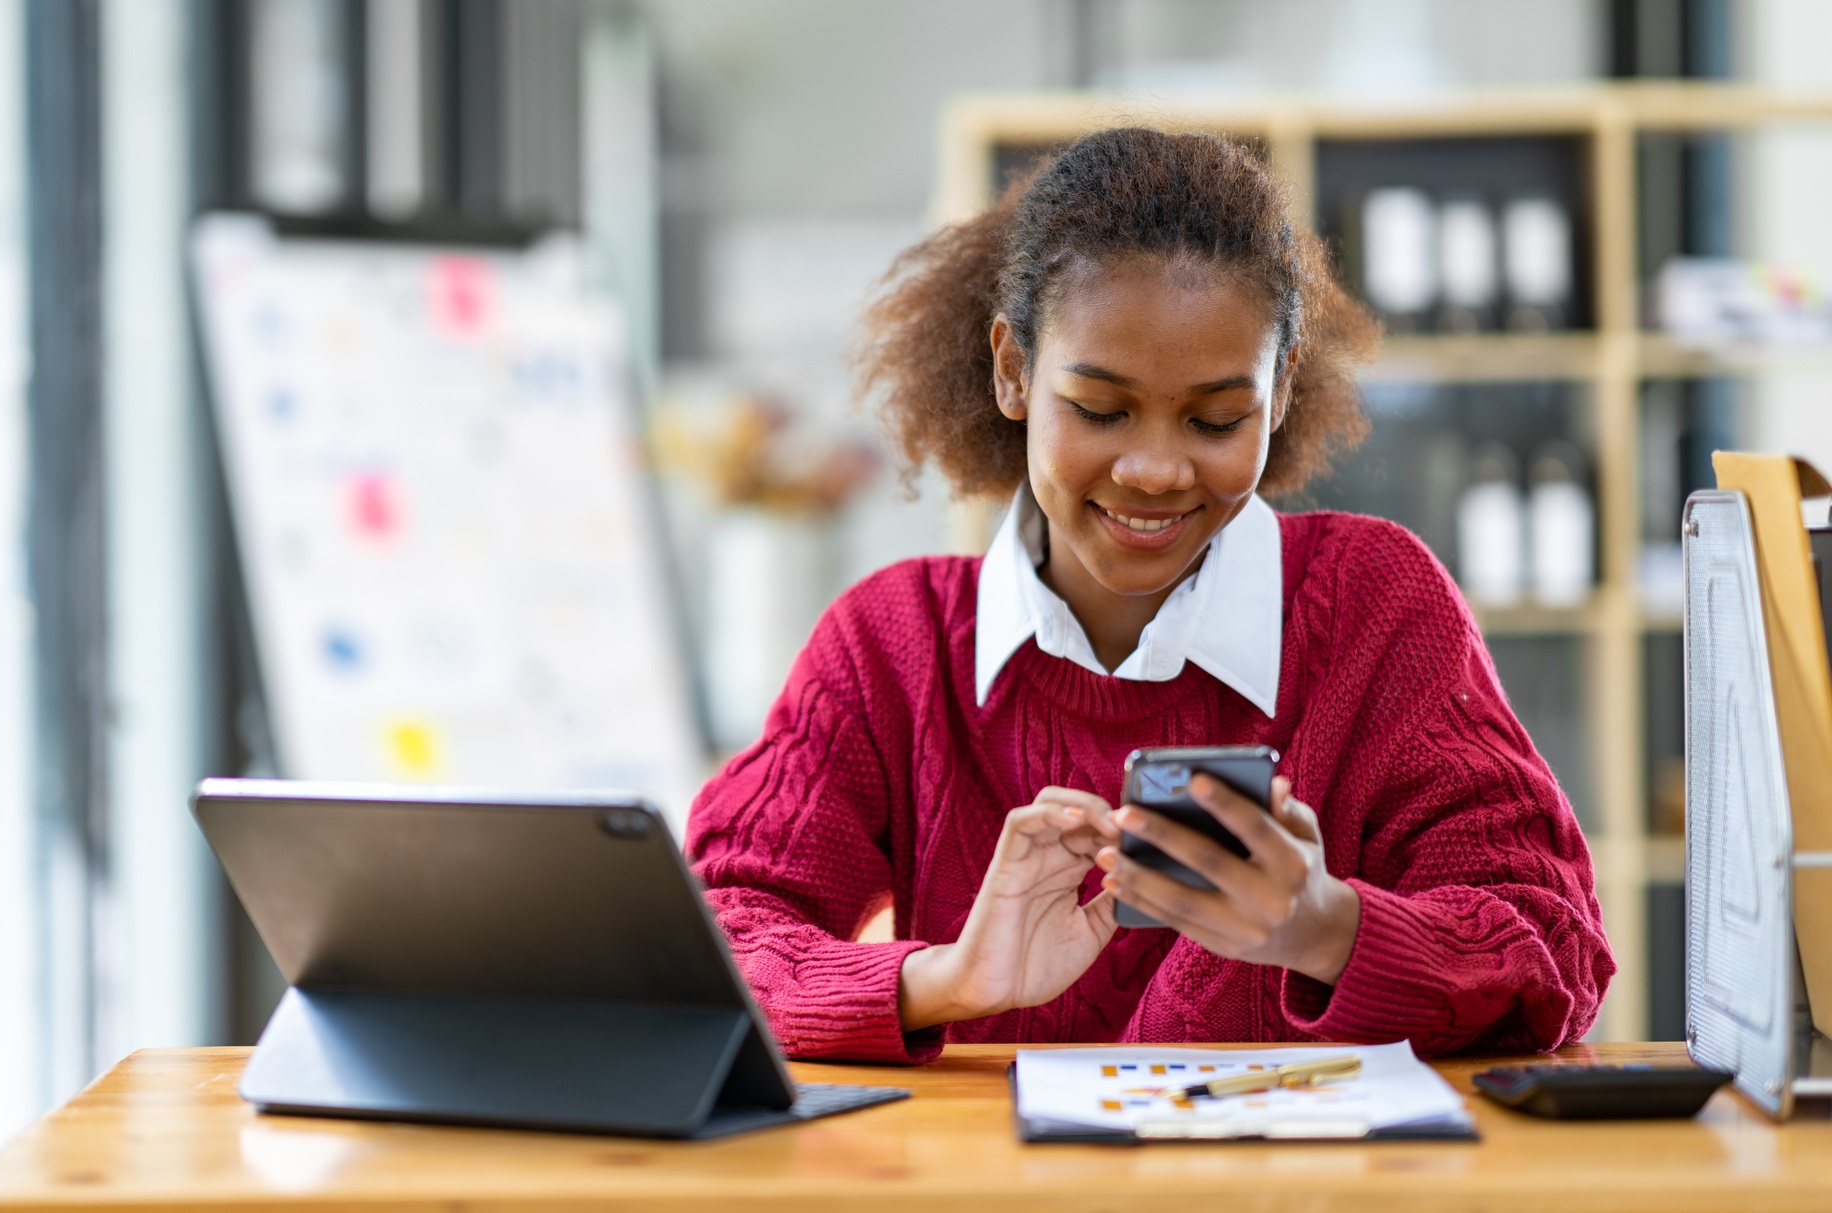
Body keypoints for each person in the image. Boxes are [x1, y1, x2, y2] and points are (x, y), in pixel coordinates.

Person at [684, 127, 1614, 1062]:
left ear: (1279, 390)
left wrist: (1323, 926)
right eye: (1100, 410)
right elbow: (715, 939)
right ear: (1013, 368)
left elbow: (1553, 945)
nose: (1157, 468)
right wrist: (954, 978)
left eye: (1216, 419)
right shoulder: (891, 643)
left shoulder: (1378, 609)